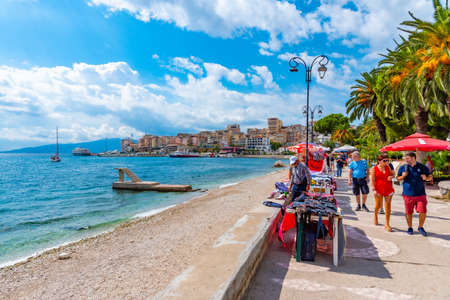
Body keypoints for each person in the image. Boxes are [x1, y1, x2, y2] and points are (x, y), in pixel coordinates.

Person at [397, 152, 433, 236]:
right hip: (407, 194)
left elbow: (430, 177)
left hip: (420, 194)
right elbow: (397, 178)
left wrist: (426, 178)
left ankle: (420, 227)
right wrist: (403, 176)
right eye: (405, 158)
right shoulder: (403, 167)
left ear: (413, 158)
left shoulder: (422, 167)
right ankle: (410, 227)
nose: (406, 160)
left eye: (408, 158)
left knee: (423, 211)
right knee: (408, 212)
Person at [370, 154, 395, 231]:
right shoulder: (374, 168)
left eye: (387, 160)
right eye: (384, 160)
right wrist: (374, 189)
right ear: (379, 161)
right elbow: (372, 180)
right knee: (378, 205)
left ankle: (387, 224)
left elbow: (393, 174)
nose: (386, 162)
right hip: (378, 189)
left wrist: (391, 177)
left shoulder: (388, 167)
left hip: (388, 188)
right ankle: (375, 215)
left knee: (388, 206)